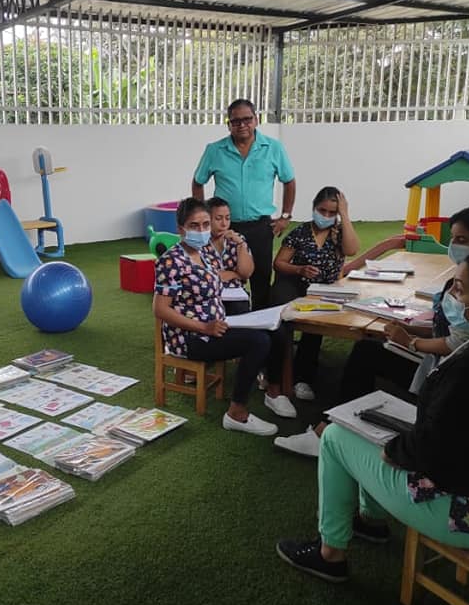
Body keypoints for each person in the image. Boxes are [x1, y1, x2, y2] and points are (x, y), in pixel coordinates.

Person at [275, 248, 469, 583]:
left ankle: (330, 555)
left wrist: (395, 450)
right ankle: (369, 521)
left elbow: (432, 450)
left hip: (465, 516)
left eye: (460, 289)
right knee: (375, 426)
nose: (450, 297)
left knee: (335, 436)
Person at [275, 205, 469, 458]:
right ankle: (335, 426)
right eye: (452, 238)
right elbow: (451, 329)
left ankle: (328, 433)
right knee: (368, 349)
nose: (453, 246)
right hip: (444, 367)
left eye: (462, 240)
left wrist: (410, 342)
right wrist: (407, 326)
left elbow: (458, 343)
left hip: (449, 377)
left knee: (367, 353)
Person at [153, 198, 279, 436]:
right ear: (180, 229)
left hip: (216, 326)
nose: (201, 231)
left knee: (272, 332)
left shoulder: (205, 254)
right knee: (259, 342)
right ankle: (236, 413)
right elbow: (161, 310)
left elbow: (239, 275)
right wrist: (204, 327)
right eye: (194, 225)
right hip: (190, 337)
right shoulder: (171, 261)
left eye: (205, 225)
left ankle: (275, 391)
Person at [192, 99, 295, 311]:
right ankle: (225, 322)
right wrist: (204, 218)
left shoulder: (273, 148)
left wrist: (285, 216)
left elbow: (289, 181)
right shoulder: (215, 150)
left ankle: (261, 325)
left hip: (261, 227)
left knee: (261, 279)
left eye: (247, 119)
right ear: (228, 124)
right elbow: (198, 182)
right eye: (235, 121)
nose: (242, 125)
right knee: (222, 278)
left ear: (256, 120)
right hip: (225, 228)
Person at [268, 187, 360, 402]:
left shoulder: (340, 233)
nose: (326, 216)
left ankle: (303, 377)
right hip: (296, 283)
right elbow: (279, 263)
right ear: (314, 208)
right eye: (322, 210)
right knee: (281, 316)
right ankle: (274, 370)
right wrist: (299, 269)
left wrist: (345, 215)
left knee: (315, 324)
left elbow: (352, 250)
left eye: (332, 212)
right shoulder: (300, 233)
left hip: (324, 289)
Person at [206, 196, 254, 315]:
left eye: (227, 218)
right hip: (209, 293)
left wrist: (241, 245)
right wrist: (234, 274)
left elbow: (246, 274)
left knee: (239, 309)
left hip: (236, 294)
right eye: (218, 219)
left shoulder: (237, 239)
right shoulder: (200, 241)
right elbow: (204, 275)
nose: (224, 224)